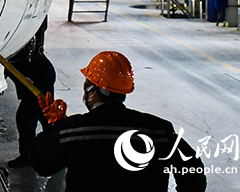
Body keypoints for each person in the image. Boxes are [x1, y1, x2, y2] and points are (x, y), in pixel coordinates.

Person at [30, 51, 206, 191]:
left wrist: (53, 127)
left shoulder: (72, 131)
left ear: (92, 90)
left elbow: (42, 164)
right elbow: (193, 172)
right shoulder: (159, 131)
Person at [5, 18, 56, 168]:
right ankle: (55, 151)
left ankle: (28, 157)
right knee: (45, 118)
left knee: (26, 118)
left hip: (39, 80)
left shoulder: (20, 49)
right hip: (39, 77)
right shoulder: (9, 52)